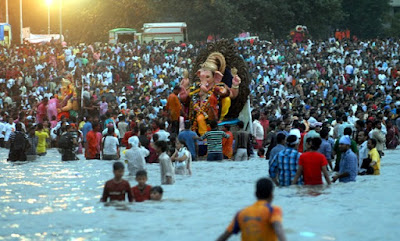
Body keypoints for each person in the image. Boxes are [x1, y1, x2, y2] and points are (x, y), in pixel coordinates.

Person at [216, 178, 286, 241]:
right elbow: (278, 228)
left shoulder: (241, 213)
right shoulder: (273, 210)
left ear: (255, 194)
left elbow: (225, 236)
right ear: (271, 195)